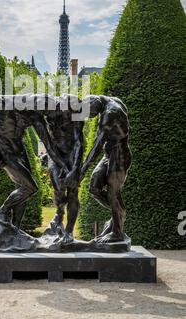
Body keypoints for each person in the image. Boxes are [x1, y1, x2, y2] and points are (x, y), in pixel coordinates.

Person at [0, 94, 67, 230]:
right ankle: (1, 212)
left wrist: (63, 165)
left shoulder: (35, 116)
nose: (44, 115)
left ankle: (15, 228)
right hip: (5, 152)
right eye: (43, 111)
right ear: (34, 101)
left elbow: (49, 145)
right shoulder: (0, 102)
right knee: (30, 187)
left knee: (22, 190)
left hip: (21, 153)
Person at [80, 95, 132, 243]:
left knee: (112, 193)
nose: (89, 116)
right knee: (94, 188)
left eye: (89, 112)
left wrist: (82, 171)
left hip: (119, 156)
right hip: (109, 154)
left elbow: (97, 145)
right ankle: (118, 214)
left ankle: (117, 232)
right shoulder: (113, 101)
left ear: (94, 102)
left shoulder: (110, 113)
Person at [44, 94, 85, 243]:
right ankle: (59, 213)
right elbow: (49, 143)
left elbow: (79, 142)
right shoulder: (50, 113)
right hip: (56, 155)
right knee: (58, 187)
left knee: (73, 192)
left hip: (72, 155)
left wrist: (75, 169)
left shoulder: (76, 113)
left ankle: (69, 231)